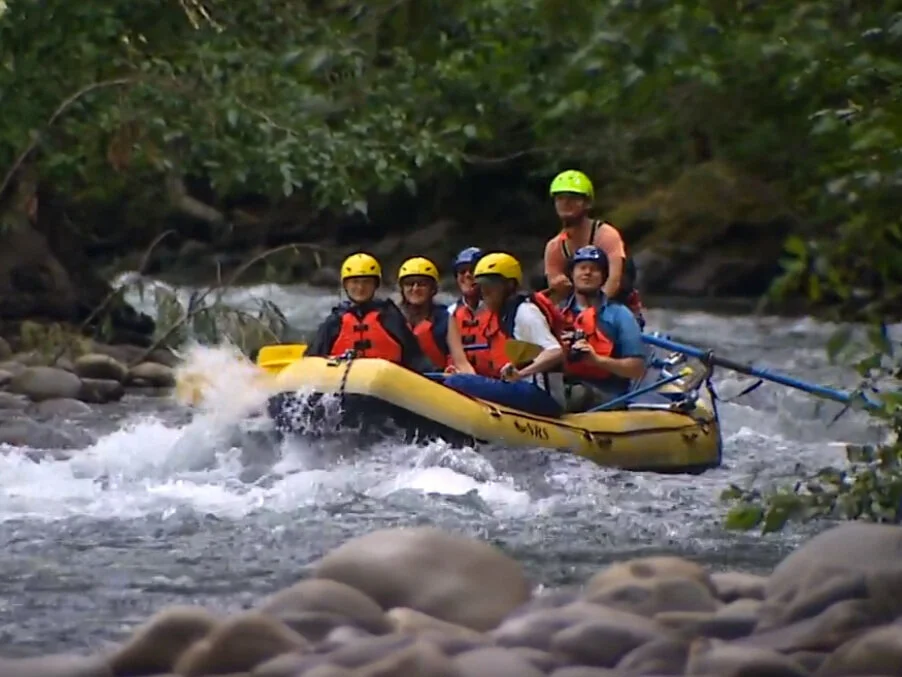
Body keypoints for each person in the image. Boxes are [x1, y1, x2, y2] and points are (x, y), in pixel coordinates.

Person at [443, 252, 566, 418]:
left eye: (490, 285)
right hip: (524, 389)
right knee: (455, 379)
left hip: (543, 397)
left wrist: (521, 374)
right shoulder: (505, 314)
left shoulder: (525, 312)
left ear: (509, 286)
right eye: (481, 286)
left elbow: (555, 351)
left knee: (457, 382)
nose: (484, 292)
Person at [543, 169, 646, 328]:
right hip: (576, 315)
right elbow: (554, 297)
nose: (566, 203)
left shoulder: (606, 235)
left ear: (588, 203)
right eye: (560, 198)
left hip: (617, 311)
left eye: (573, 198)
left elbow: (614, 282)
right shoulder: (554, 247)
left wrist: (594, 314)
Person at [306, 252, 434, 372]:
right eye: (355, 282)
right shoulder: (335, 321)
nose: (360, 288)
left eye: (366, 282)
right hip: (345, 384)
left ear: (375, 285)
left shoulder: (389, 316)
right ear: (345, 285)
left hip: (387, 384)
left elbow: (415, 357)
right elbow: (312, 359)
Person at [558, 245, 647, 411]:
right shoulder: (558, 313)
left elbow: (637, 368)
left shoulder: (620, 315)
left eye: (594, 269)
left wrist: (597, 360)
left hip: (607, 395)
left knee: (578, 394)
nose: (587, 273)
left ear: (603, 277)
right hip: (565, 386)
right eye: (582, 268)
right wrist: (559, 352)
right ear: (572, 274)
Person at [396, 256, 474, 374]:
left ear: (433, 289)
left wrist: (470, 379)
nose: (415, 289)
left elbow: (461, 362)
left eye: (422, 284)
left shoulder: (445, 319)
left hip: (435, 381)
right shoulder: (392, 318)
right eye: (409, 284)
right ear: (402, 289)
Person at [446, 247, 488, 370]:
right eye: (462, 272)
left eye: (473, 271)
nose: (468, 275)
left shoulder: (501, 310)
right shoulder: (450, 313)